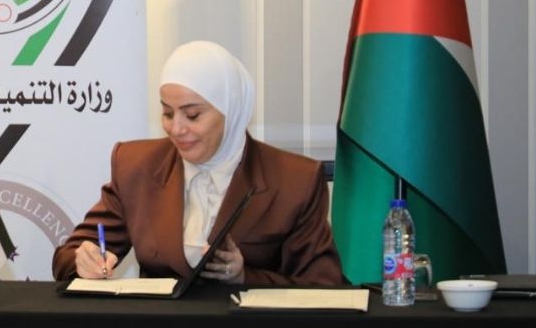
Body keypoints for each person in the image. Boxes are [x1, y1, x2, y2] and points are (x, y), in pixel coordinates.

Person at [52, 40, 343, 286]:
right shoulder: (136, 166)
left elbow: (323, 286)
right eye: (167, 113)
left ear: (231, 111)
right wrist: (84, 260)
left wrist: (245, 277)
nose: (176, 129)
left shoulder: (295, 180)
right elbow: (68, 255)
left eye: (192, 115)